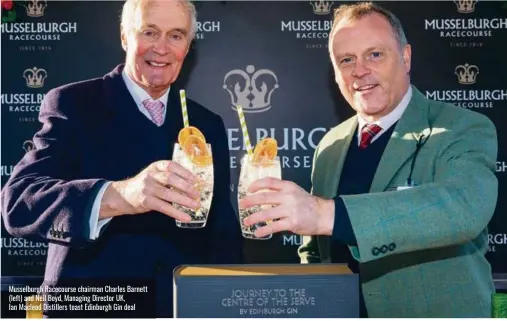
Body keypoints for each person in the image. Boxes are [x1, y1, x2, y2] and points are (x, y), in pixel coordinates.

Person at [239, 2, 498, 318]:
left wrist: (324, 213)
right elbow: (315, 252)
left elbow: (464, 207)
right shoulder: (330, 145)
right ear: (335, 74)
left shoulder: (461, 127)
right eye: (346, 60)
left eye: (375, 55)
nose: (359, 70)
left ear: (405, 58)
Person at [1, 0, 243, 317]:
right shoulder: (73, 104)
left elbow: (221, 230)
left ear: (188, 45)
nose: (162, 48)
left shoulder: (205, 123)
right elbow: (17, 202)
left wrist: (233, 303)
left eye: (176, 35)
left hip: (179, 309)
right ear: (125, 37)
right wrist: (119, 196)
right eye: (149, 32)